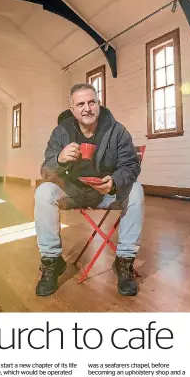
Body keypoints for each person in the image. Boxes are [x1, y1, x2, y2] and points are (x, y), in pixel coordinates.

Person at [34, 83, 144, 298]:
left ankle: (124, 261)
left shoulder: (117, 130)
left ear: (99, 104)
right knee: (44, 192)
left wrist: (113, 181)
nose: (87, 108)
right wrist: (59, 159)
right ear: (73, 110)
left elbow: (131, 165)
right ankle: (52, 261)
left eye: (92, 102)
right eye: (80, 104)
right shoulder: (61, 132)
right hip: (73, 191)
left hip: (106, 192)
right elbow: (46, 172)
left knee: (136, 190)